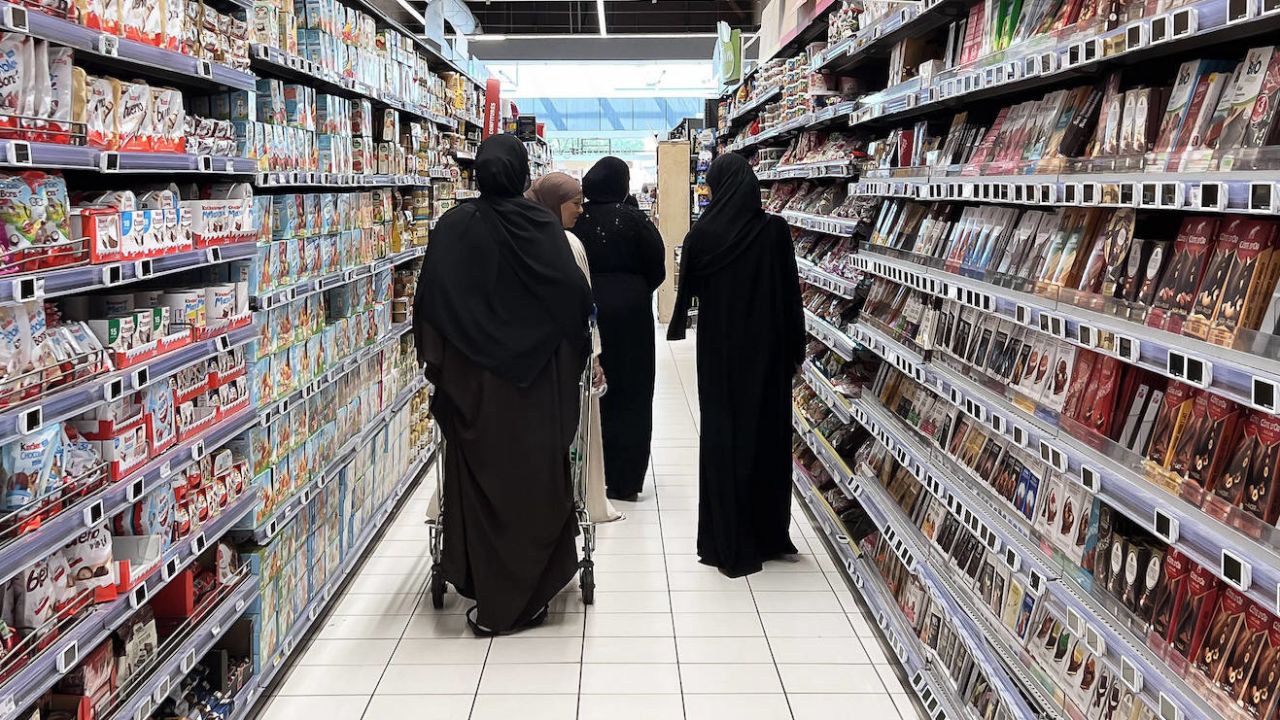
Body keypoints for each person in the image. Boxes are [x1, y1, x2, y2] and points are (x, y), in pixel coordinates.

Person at [412, 135, 592, 635]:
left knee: (478, 486)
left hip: (475, 395)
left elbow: (430, 307)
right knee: (535, 486)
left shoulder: (454, 227)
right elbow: (573, 301)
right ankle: (529, 593)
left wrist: (449, 370)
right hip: (534, 392)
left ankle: (489, 591)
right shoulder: (539, 226)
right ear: (518, 174)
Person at [667, 152, 805, 578]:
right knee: (767, 438)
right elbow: (790, 297)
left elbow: (685, 289)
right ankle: (768, 533)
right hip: (768, 354)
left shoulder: (703, 235)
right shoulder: (774, 231)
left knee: (724, 441)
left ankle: (725, 537)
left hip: (721, 355)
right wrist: (795, 352)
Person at [525, 171, 623, 524]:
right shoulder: (566, 244)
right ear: (555, 203)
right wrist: (593, 355)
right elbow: (586, 309)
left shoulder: (517, 238)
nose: (582, 210)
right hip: (562, 362)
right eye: (576, 203)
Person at [573, 157, 666, 502]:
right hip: (632, 317)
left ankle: (588, 471)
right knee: (633, 391)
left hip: (587, 312)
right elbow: (657, 267)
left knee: (590, 388)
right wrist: (633, 291)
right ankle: (626, 479)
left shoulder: (576, 220)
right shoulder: (635, 220)